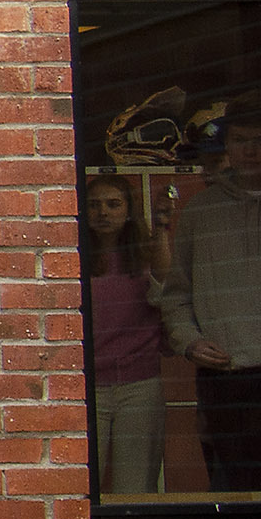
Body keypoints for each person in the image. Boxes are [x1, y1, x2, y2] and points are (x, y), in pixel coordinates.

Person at [158, 94, 261, 493]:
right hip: (225, 380)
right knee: (235, 505)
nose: (251, 150)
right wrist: (189, 342)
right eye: (241, 139)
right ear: (227, 144)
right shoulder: (201, 211)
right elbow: (176, 295)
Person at [84, 176, 172, 497]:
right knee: (81, 490)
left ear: (128, 210)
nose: (102, 212)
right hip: (88, 386)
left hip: (138, 384)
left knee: (133, 492)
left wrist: (161, 226)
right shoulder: (74, 258)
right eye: (94, 205)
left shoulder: (145, 254)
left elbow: (167, 286)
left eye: (113, 204)